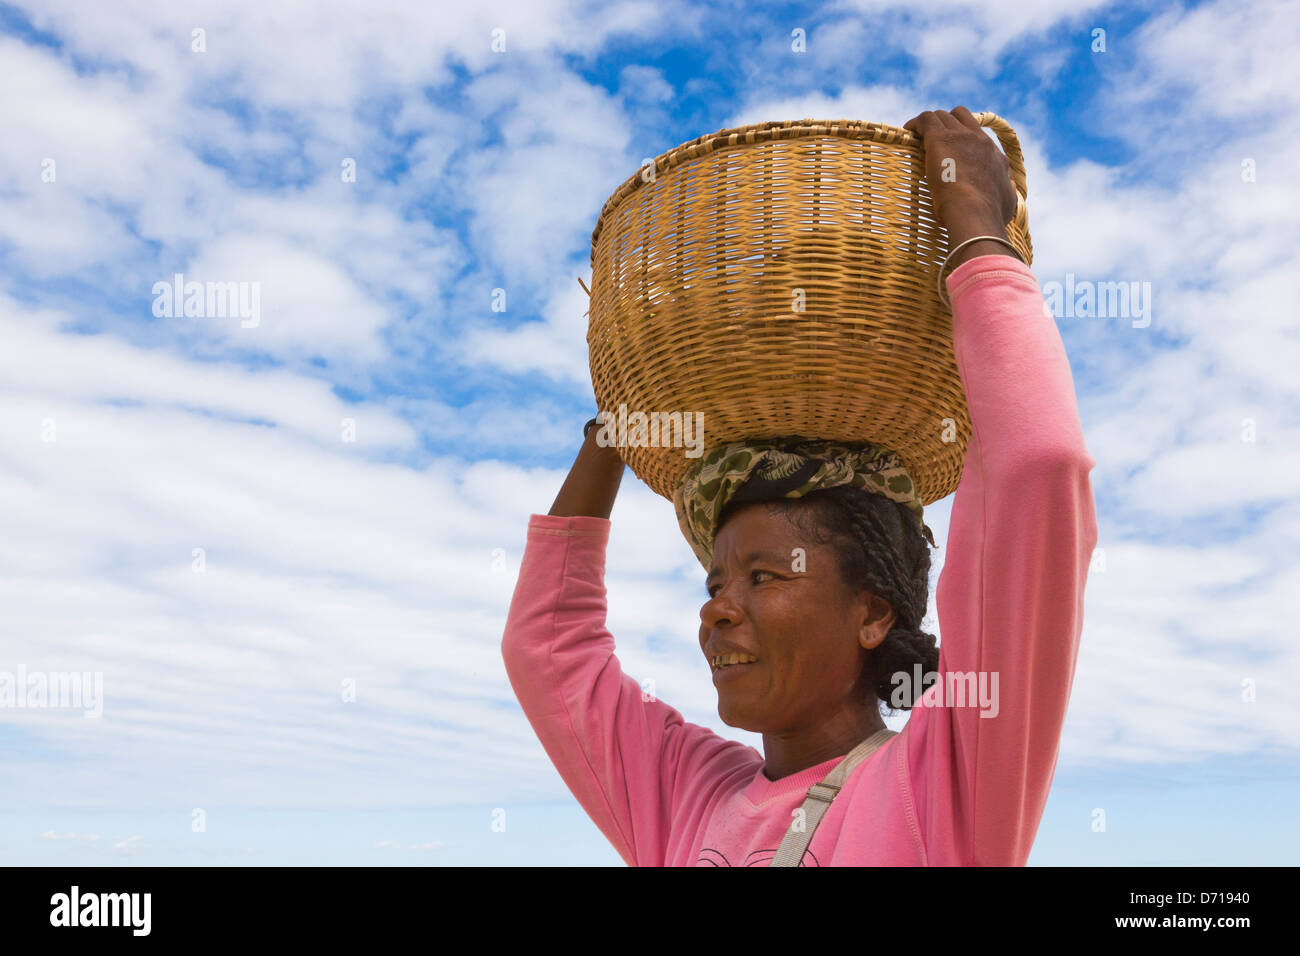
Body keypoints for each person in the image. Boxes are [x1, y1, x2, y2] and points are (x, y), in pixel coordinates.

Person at [501, 107, 1099, 866]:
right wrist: (618, 427)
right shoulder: (689, 797)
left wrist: (977, 231)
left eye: (763, 576)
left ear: (872, 614)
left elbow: (1037, 465)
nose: (716, 609)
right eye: (718, 580)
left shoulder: (944, 788)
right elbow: (548, 652)